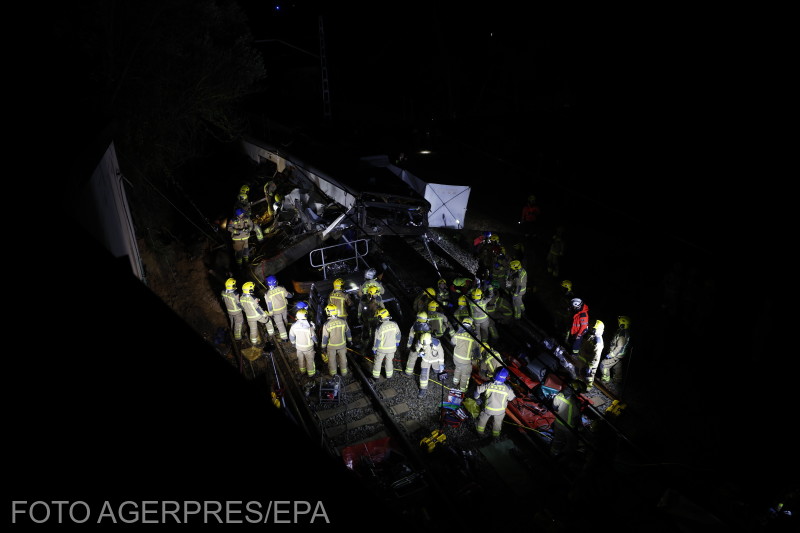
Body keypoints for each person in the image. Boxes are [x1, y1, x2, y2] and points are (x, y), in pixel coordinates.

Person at [473, 367, 515, 438]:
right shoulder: (507, 389)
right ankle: (495, 436)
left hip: (487, 409)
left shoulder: (488, 384)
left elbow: (476, 392)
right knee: (497, 423)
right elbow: (511, 398)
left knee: (482, 420)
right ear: (505, 378)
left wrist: (477, 399)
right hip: (500, 411)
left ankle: (480, 433)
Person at [550, 380, 585, 459]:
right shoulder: (575, 402)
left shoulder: (560, 395)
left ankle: (553, 454)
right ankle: (566, 458)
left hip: (558, 424)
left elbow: (554, 407)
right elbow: (576, 418)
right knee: (571, 443)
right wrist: (580, 428)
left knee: (558, 440)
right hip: (569, 428)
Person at [321, 304, 352, 377]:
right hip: (342, 345)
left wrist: (323, 347)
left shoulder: (326, 324)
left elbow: (325, 337)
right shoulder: (343, 321)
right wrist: (350, 341)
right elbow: (348, 332)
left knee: (332, 360)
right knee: (343, 359)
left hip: (331, 346)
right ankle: (344, 373)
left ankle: (333, 374)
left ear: (328, 312)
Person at [450, 317, 481, 393]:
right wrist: (478, 358)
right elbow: (476, 350)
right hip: (466, 361)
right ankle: (463, 390)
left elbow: (452, 342)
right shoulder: (474, 337)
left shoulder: (458, 333)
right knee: (465, 375)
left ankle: (455, 381)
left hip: (456, 358)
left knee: (458, 368)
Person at [599, 316, 632, 384]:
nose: (618, 323)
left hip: (616, 354)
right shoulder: (623, 332)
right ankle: (617, 380)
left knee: (604, 365)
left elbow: (619, 347)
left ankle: (605, 379)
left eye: (619, 322)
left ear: (623, 324)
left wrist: (611, 355)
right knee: (617, 366)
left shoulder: (622, 334)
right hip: (620, 355)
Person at [371, 308, 400, 382]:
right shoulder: (394, 324)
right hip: (392, 348)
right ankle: (389, 376)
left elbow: (377, 340)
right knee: (389, 361)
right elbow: (398, 334)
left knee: (378, 362)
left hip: (381, 349)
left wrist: (374, 348)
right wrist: (397, 342)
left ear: (381, 317)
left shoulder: (379, 328)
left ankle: (376, 377)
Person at [414, 331, 446, 398]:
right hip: (425, 360)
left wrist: (441, 364)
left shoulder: (436, 344)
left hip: (435, 360)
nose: (424, 346)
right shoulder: (421, 341)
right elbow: (417, 347)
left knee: (437, 370)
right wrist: (419, 352)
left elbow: (441, 354)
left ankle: (438, 373)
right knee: (423, 374)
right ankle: (423, 389)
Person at [289, 309, 318, 378]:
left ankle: (302, 371)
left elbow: (291, 336)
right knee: (310, 361)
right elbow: (314, 337)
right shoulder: (309, 327)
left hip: (299, 347)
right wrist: (316, 343)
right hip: (308, 348)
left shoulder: (293, 326)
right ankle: (311, 374)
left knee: (301, 360)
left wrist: (293, 344)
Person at [576, 320, 605, 389]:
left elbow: (596, 357)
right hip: (583, 361)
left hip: (589, 364)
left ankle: (587, 388)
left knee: (588, 378)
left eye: (594, 328)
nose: (592, 329)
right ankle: (579, 385)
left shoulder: (598, 342)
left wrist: (590, 366)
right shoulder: (592, 336)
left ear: (598, 330)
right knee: (580, 374)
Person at [240, 281, 270, 345]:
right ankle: (271, 333)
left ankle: (254, 342)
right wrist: (264, 314)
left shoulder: (241, 298)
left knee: (253, 329)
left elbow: (243, 307)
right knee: (267, 320)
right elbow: (258, 308)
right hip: (257, 316)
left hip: (249, 317)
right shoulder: (253, 299)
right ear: (250, 290)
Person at [264, 275, 293, 343]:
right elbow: (289, 295)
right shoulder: (281, 288)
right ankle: (286, 328)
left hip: (276, 312)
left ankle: (284, 338)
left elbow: (269, 305)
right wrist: (291, 294)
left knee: (280, 324)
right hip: (284, 308)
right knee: (285, 319)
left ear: (268, 284)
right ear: (276, 282)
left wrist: (270, 313)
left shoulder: (267, 294)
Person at [403, 311, 431, 377]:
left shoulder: (414, 326)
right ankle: (424, 376)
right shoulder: (429, 326)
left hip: (416, 346)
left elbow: (411, 337)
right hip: (427, 347)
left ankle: (408, 373)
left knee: (411, 358)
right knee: (425, 362)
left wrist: (408, 346)